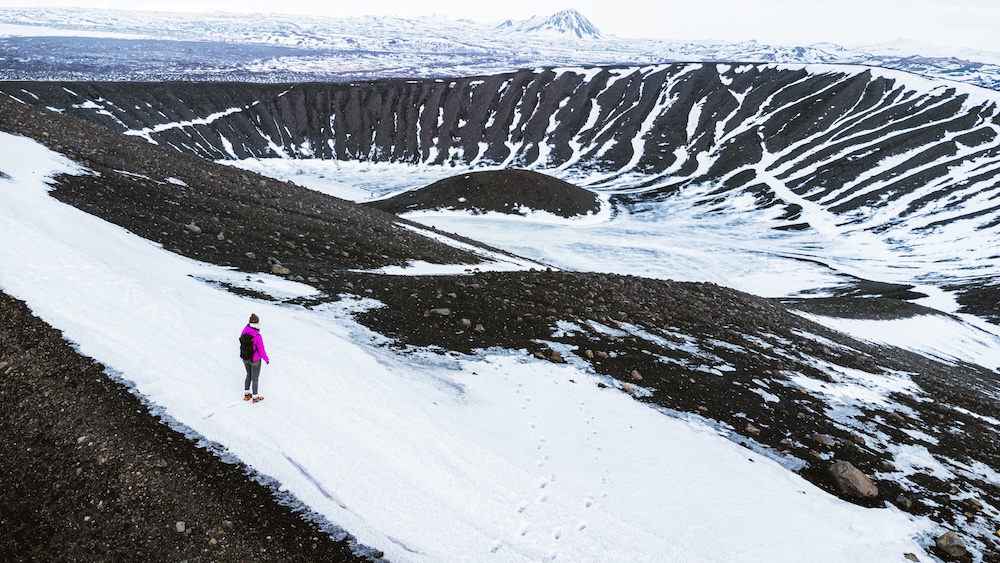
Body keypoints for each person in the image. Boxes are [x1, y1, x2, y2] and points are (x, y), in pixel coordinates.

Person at [240, 313, 270, 403]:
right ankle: (255, 397)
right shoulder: (257, 336)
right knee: (255, 378)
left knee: (248, 375)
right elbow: (261, 350)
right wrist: (266, 359)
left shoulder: (244, 331)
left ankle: (246, 394)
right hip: (255, 360)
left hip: (245, 358)